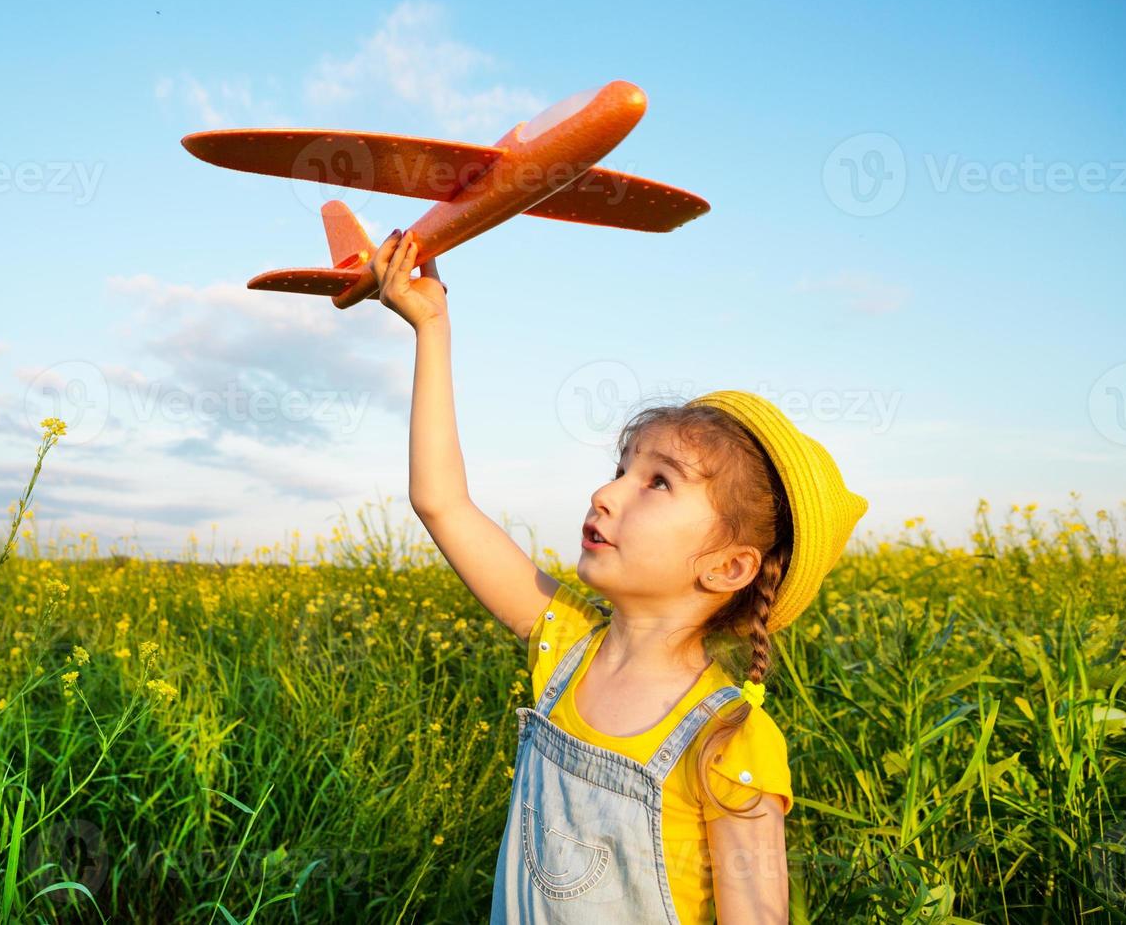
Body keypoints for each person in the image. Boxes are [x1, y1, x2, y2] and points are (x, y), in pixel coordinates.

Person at [367, 229, 868, 924]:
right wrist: (432, 327)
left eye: (657, 483)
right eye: (619, 470)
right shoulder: (564, 644)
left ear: (728, 567)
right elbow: (441, 502)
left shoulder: (728, 739)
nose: (607, 495)